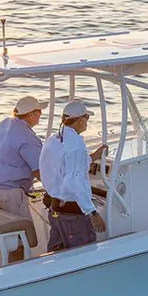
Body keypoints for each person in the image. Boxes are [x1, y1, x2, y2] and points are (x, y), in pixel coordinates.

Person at [0, 96, 46, 264]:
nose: (41, 114)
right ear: (31, 114)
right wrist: (55, 191)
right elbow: (39, 170)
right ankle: (12, 276)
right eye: (39, 111)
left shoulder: (5, 124)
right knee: (18, 241)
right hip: (10, 194)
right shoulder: (27, 137)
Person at [39, 101, 107, 252]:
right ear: (81, 119)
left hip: (55, 209)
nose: (87, 122)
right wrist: (93, 212)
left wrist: (95, 155)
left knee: (56, 255)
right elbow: (73, 181)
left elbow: (66, 166)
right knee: (84, 255)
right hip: (73, 215)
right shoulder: (75, 145)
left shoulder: (53, 140)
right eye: (87, 117)